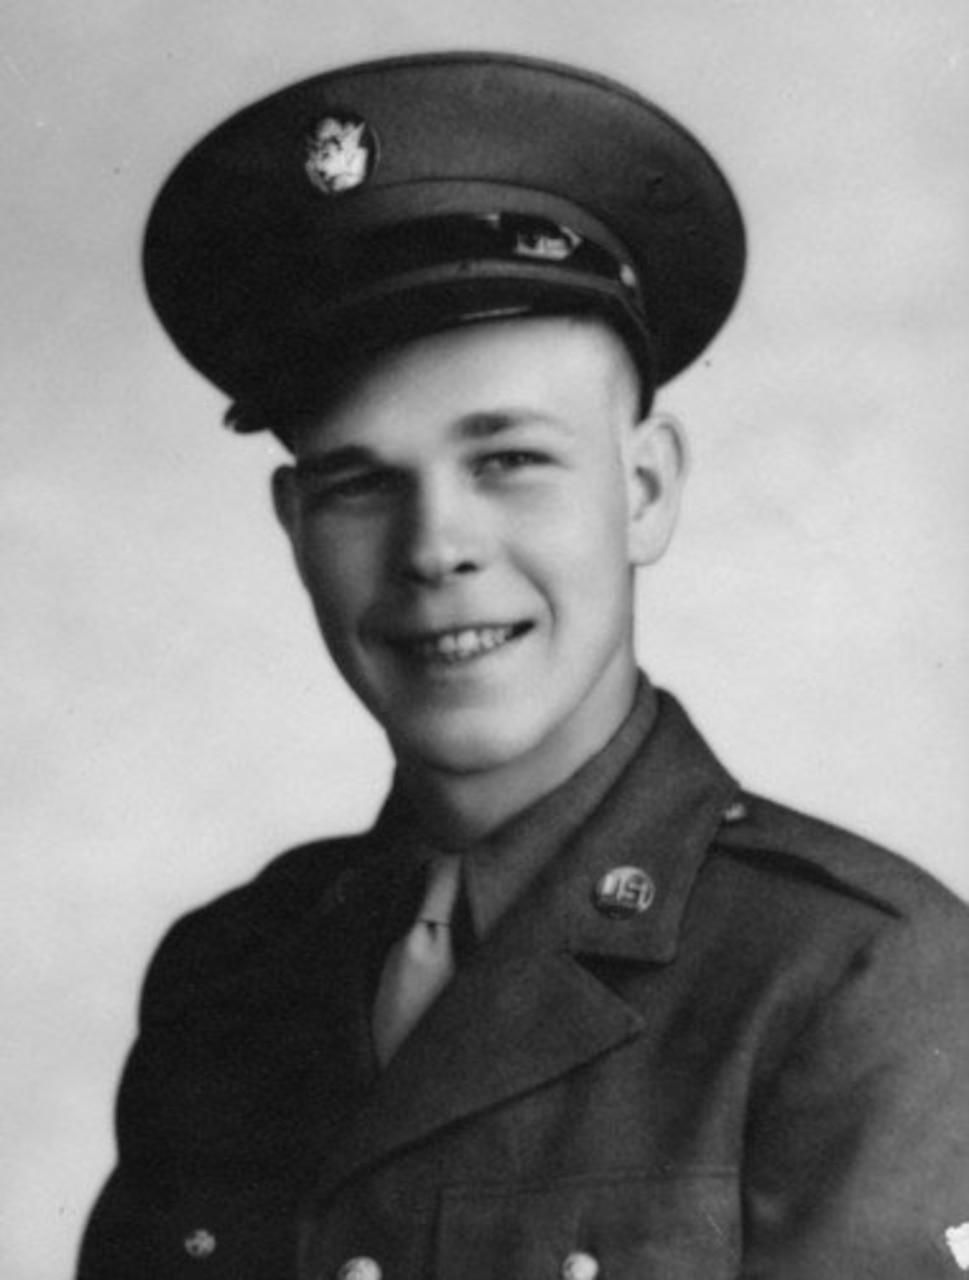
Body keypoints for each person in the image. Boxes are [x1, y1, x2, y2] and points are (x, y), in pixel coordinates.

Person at [77, 51, 969, 1280]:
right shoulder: (228, 981)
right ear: (293, 528)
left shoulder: (851, 981)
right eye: (359, 483)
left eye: (507, 461)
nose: (435, 547)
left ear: (645, 490)